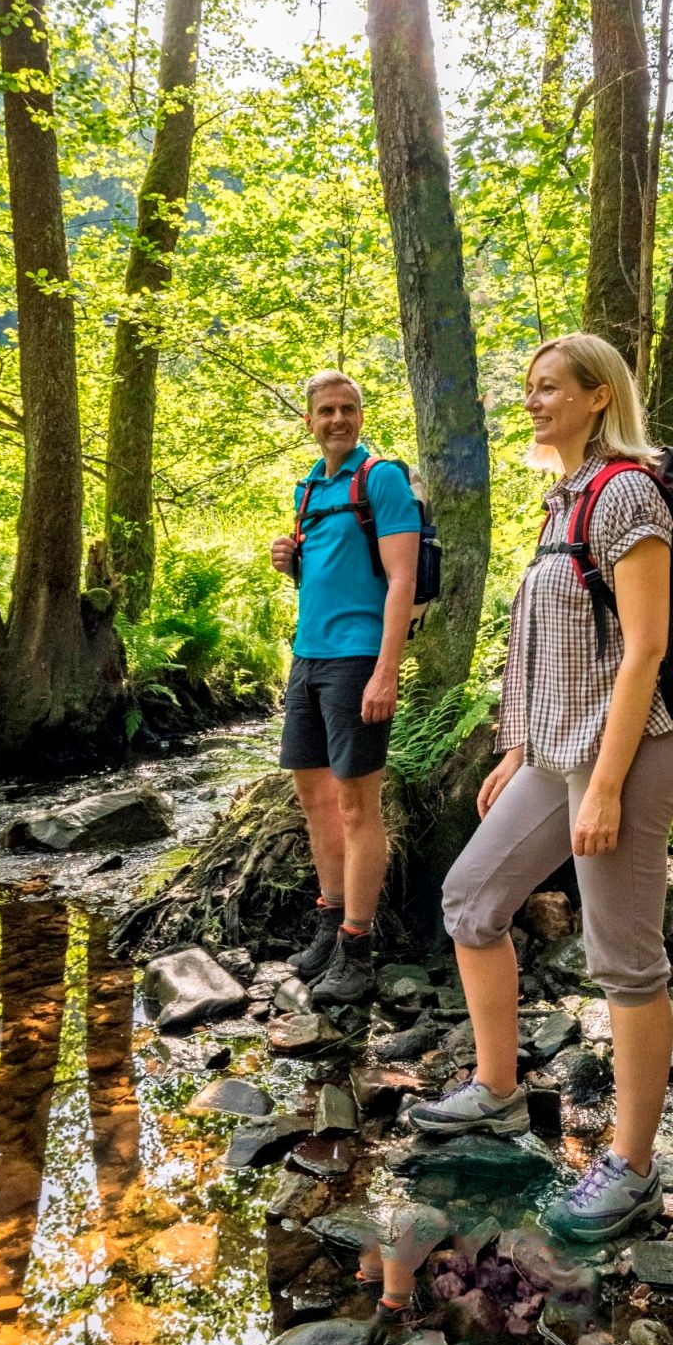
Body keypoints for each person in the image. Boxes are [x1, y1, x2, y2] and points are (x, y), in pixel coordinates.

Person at [408, 332, 673, 1244]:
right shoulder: (558, 504)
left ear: (598, 397)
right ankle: (496, 1089)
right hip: (552, 755)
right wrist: (515, 748)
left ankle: (632, 1168)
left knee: (623, 962)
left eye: (547, 388)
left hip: (628, 758)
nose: (531, 402)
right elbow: (545, 652)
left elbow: (643, 647)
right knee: (471, 900)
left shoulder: (626, 493)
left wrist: (602, 787)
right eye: (527, 389)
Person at [269, 370, 420, 1007]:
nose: (338, 419)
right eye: (326, 410)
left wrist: (387, 670)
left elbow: (402, 582)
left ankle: (357, 948)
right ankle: (329, 926)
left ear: (360, 415)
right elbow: (326, 578)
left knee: (358, 806)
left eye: (348, 409)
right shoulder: (309, 488)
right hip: (307, 660)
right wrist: (291, 561)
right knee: (315, 800)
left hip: (358, 662)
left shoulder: (380, 478)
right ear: (310, 421)